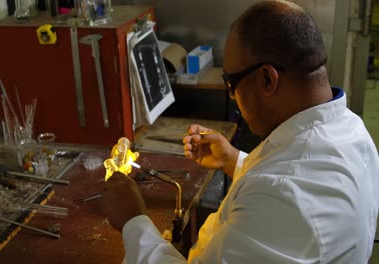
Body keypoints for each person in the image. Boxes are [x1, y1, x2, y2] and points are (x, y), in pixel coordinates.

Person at [101, 0, 379, 263]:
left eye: (231, 83)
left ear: (267, 79)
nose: (233, 97)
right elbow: (291, 173)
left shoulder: (284, 200)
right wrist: (233, 160)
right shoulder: (354, 132)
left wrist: (133, 220)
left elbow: (285, 190)